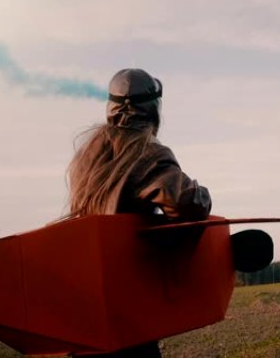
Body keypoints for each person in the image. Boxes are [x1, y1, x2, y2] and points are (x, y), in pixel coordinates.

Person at [66, 68, 212, 357]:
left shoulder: (87, 154)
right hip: (128, 315)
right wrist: (202, 196)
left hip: (86, 311)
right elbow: (185, 204)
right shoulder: (146, 152)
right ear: (152, 110)